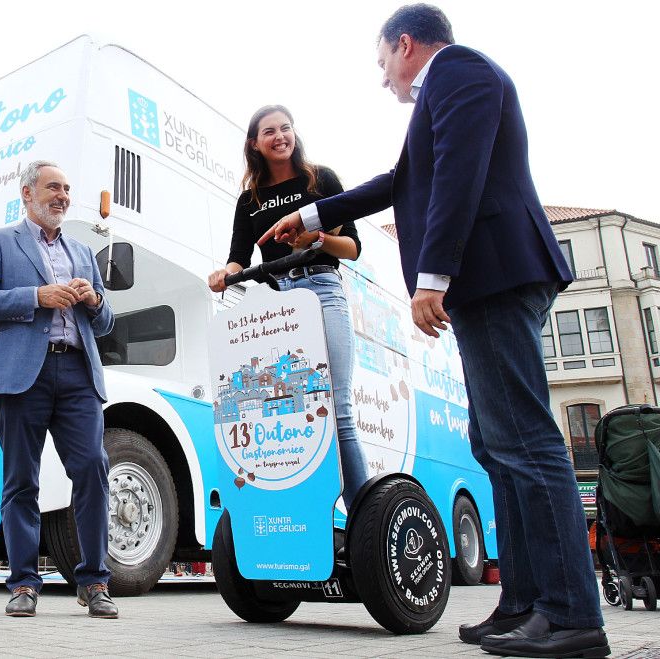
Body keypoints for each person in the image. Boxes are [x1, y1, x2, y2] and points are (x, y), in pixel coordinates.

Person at [261, 5, 608, 656]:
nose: (383, 76)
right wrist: (311, 214)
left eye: (382, 60)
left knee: (525, 440)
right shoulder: (443, 92)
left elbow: (459, 172)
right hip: (492, 280)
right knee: (497, 439)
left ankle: (571, 615)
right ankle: (526, 603)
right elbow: (402, 182)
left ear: (407, 44)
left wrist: (434, 275)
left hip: (497, 273)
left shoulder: (460, 72)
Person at [0, 160, 118, 619]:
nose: (63, 196)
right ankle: (24, 584)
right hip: (20, 377)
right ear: (27, 193)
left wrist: (94, 299)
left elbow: (106, 322)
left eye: (68, 189)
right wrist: (37, 296)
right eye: (54, 187)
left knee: (92, 469)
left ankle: (93, 581)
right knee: (21, 481)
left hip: (77, 374)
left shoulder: (85, 253)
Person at [207, 105, 366, 509]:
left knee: (337, 405)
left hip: (322, 289)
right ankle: (302, 514)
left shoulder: (321, 179)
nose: (280, 136)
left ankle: (366, 515)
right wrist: (223, 274)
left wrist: (315, 242)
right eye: (269, 131)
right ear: (254, 143)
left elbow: (352, 247)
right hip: (276, 304)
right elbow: (239, 258)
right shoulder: (250, 201)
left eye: (286, 128)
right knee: (287, 410)